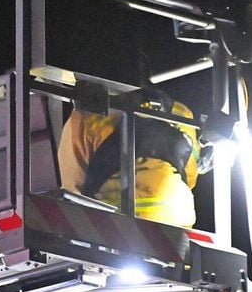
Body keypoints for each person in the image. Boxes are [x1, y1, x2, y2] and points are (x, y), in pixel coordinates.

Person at [58, 90, 203, 228]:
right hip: (176, 222)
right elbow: (190, 176)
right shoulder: (181, 112)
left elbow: (73, 185)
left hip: (111, 224)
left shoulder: (87, 114)